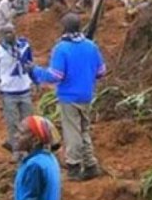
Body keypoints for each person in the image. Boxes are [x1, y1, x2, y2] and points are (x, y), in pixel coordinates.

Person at [33, 13, 105, 181]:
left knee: (72, 131)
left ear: (64, 28)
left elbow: (55, 75)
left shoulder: (62, 48)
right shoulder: (91, 46)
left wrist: (35, 71)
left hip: (69, 96)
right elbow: (101, 71)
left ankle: (73, 166)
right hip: (86, 94)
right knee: (84, 129)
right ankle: (90, 164)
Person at [0, 24, 35, 155]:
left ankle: (29, 150)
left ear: (16, 32)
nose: (9, 35)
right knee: (13, 124)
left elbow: (31, 64)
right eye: (6, 33)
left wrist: (35, 82)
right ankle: (17, 153)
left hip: (25, 90)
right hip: (8, 93)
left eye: (11, 32)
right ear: (2, 35)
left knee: (28, 123)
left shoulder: (24, 46)